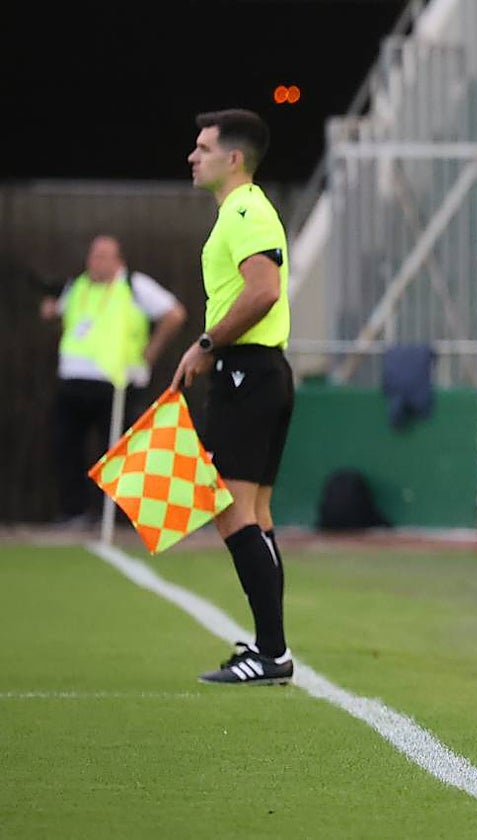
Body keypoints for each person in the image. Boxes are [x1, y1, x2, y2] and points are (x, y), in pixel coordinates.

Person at [172, 109, 295, 685]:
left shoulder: (245, 209)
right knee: (255, 514)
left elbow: (264, 290)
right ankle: (272, 648)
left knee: (229, 511)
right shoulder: (241, 210)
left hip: (248, 372)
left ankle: (271, 652)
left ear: (234, 158)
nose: (193, 157)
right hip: (257, 371)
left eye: (203, 148)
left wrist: (206, 343)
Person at [40, 234, 186, 527]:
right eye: (93, 255)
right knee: (66, 446)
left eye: (103, 256)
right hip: (73, 380)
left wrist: (150, 354)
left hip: (117, 383)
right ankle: (76, 512)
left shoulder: (134, 285)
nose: (96, 262)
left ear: (119, 260)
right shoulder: (77, 286)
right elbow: (58, 315)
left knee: (119, 451)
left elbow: (174, 314)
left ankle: (118, 517)